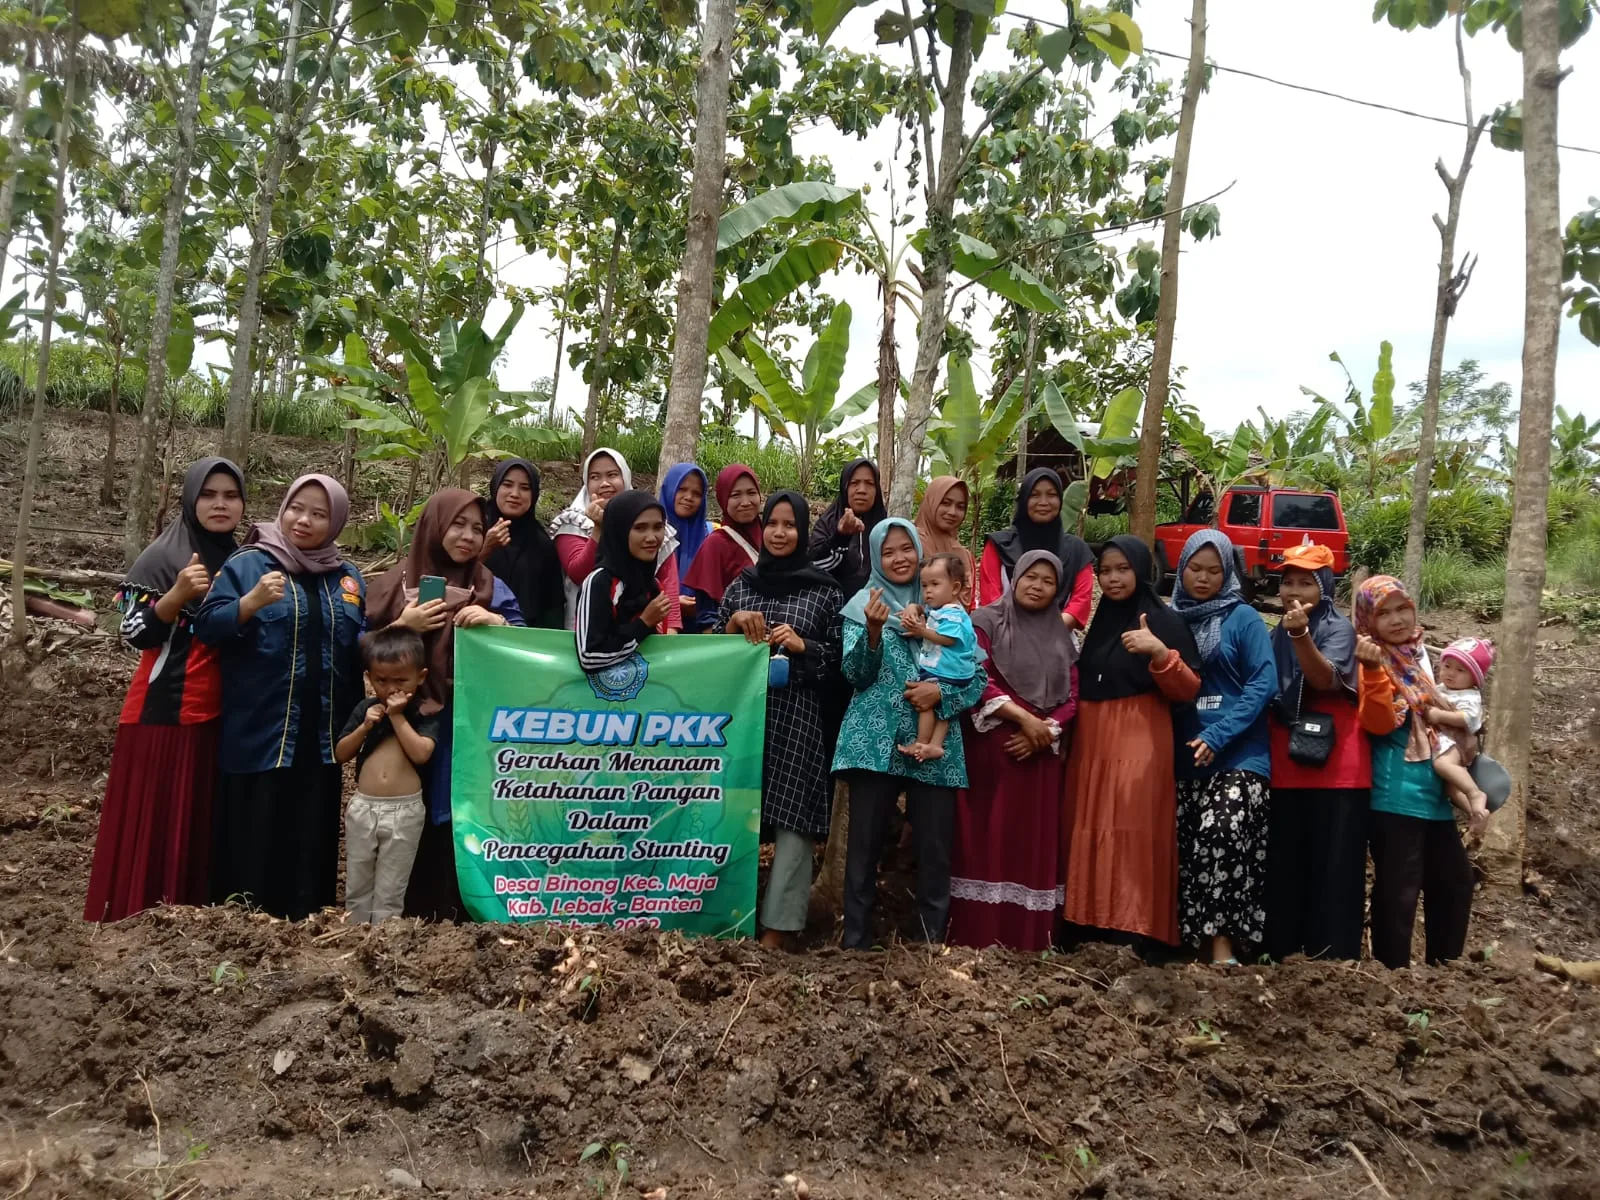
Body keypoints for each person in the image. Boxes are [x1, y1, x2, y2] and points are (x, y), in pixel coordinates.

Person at [85, 458, 246, 922]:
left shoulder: (239, 559)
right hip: (165, 711)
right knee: (156, 819)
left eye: (230, 496)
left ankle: (188, 916)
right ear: (190, 499)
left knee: (195, 819)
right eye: (209, 494)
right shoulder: (161, 556)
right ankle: (137, 914)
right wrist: (174, 597)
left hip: (218, 714)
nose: (220, 504)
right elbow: (134, 634)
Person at [196, 474, 363, 919]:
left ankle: (306, 914)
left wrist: (405, 630)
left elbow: (357, 645)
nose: (303, 520)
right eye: (296, 508)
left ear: (336, 523)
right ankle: (242, 917)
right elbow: (207, 627)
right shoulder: (248, 564)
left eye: (319, 514)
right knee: (256, 821)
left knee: (310, 823)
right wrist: (247, 604)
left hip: (321, 732)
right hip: (261, 728)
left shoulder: (346, 577)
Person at [367, 488, 523, 922]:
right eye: (458, 524)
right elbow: (358, 650)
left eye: (477, 527)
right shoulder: (394, 583)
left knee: (460, 812)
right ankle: (410, 912)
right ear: (435, 525)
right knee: (409, 817)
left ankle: (463, 908)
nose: (468, 536)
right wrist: (404, 624)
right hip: (407, 721)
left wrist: (497, 622)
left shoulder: (489, 585)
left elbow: (527, 643)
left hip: (470, 722)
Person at [834, 520, 986, 949]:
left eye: (907, 550)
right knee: (864, 849)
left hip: (934, 746)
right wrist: (874, 631)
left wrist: (942, 692)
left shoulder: (945, 608)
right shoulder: (863, 606)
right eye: (888, 551)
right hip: (874, 740)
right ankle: (856, 945)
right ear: (876, 557)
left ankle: (928, 946)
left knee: (935, 850)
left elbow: (977, 679)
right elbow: (854, 675)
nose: (899, 558)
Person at [715, 491, 844, 950]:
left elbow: (842, 661)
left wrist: (804, 645)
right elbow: (709, 651)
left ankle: (779, 928)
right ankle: (727, 912)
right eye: (773, 523)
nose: (780, 532)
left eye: (790, 524)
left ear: (804, 530)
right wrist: (733, 625)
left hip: (799, 717)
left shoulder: (825, 591)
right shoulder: (741, 587)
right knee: (734, 812)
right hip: (743, 717)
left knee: (794, 820)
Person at [1064, 536, 1201, 949]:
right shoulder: (1101, 622)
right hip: (1093, 740)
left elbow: (1189, 688)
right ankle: (1089, 924)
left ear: (1141, 569)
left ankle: (1135, 926)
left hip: (1140, 735)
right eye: (1105, 571)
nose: (1113, 578)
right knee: (1091, 826)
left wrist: (1159, 652)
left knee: (1132, 826)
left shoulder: (1163, 620)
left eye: (1122, 569)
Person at [947, 550, 1078, 951]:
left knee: (1030, 841)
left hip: (1040, 756)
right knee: (988, 841)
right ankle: (979, 935)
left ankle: (1030, 939)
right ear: (1015, 578)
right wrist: (1026, 720)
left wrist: (1046, 729)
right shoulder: (983, 622)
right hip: (993, 750)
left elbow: (1074, 693)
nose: (1037, 586)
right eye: (1030, 577)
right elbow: (973, 677)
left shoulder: (1062, 635)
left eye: (1047, 581)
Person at [1354, 575, 1476, 969]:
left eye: (1401, 608)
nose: (1396, 620)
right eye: (1383, 612)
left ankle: (1446, 971)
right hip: (1396, 792)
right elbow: (1378, 723)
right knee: (1399, 893)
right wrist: (1372, 673)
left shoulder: (1419, 656)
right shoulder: (1370, 658)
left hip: (1433, 792)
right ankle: (1394, 977)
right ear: (1367, 620)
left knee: (1455, 884)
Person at [1169, 529, 1277, 965]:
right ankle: (1190, 942)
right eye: (1195, 569)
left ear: (1228, 572)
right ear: (1181, 568)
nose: (1203, 578)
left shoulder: (1243, 618)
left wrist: (1218, 735)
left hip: (1239, 753)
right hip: (1187, 753)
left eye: (1215, 571)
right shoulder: (1171, 618)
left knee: (1224, 836)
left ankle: (1223, 946)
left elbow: (1263, 682)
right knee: (1189, 844)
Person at [1263, 542, 1371, 962]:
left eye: (1305, 582)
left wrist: (1300, 636)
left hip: (1336, 767)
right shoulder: (1276, 631)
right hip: (1286, 762)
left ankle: (1333, 959)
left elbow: (1326, 679)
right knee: (1287, 861)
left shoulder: (1337, 628)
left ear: (1324, 587)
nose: (1294, 590)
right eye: (1288, 581)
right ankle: (1282, 951)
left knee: (1335, 865)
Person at [335, 627, 439, 924]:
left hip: (404, 811)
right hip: (364, 807)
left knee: (391, 888)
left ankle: (382, 945)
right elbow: (341, 753)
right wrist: (365, 727)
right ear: (369, 677)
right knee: (357, 882)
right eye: (381, 681)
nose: (391, 689)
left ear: (420, 677)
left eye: (401, 681)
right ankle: (354, 935)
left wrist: (396, 715)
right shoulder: (366, 709)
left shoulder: (424, 712)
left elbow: (421, 753)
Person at [549, 447, 681, 631]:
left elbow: (669, 588)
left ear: (625, 477)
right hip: (586, 633)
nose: (604, 483)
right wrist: (598, 528)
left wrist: (671, 634)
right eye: (595, 477)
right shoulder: (574, 522)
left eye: (612, 475)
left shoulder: (652, 524)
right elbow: (579, 574)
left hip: (649, 636)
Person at [978, 467, 1094, 630]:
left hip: (1057, 637)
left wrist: (1048, 630)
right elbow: (990, 596)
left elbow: (1080, 600)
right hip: (1004, 634)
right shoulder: (1000, 544)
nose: (1044, 502)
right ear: (1024, 499)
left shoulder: (1077, 550)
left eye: (1052, 495)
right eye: (1034, 495)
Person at [575, 490, 678, 671]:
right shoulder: (599, 582)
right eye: (640, 528)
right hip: (599, 697)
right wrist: (643, 624)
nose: (652, 537)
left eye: (658, 527)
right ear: (620, 531)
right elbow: (589, 656)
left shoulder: (652, 586)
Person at [897, 553, 978, 762]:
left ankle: (922, 742)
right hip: (953, 670)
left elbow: (947, 639)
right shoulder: (941, 611)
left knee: (927, 706)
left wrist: (921, 631)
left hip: (949, 670)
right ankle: (935, 745)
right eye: (924, 586)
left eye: (935, 584)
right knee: (944, 709)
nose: (928, 591)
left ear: (955, 588)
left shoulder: (954, 614)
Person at [481, 458, 564, 629]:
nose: (515, 494)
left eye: (525, 488)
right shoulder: (474, 528)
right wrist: (485, 549)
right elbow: (454, 579)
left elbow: (552, 607)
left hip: (523, 641)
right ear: (495, 487)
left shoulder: (542, 545)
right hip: (472, 631)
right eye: (507, 485)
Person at [684, 464, 764, 630]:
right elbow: (706, 618)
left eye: (751, 493)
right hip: (737, 645)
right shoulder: (715, 545)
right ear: (723, 498)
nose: (745, 502)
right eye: (735, 495)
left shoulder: (770, 536)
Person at [1430, 637, 1496, 828]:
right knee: (1450, 787)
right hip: (1445, 741)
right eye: (1447, 666)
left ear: (1474, 678)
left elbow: (1468, 719)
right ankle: (1476, 813)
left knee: (1443, 765)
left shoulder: (1469, 695)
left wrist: (1439, 715)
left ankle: (1475, 793)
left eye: (1460, 670)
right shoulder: (1441, 688)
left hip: (1457, 742)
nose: (1451, 673)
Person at [810, 458, 887, 598]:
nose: (862, 490)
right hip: (833, 607)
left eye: (869, 483)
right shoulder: (827, 523)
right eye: (854, 483)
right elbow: (814, 567)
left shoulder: (887, 525)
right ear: (844, 487)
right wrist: (840, 537)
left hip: (879, 606)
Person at [659, 463, 712, 628]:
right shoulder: (649, 533)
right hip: (657, 631)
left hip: (700, 632)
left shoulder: (711, 535)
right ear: (669, 489)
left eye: (696, 493)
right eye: (681, 489)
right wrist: (673, 602)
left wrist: (702, 605)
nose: (689, 497)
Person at [914, 476, 977, 609]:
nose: (952, 512)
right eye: (946, 503)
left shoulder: (963, 554)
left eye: (960, 507)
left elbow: (969, 606)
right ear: (931, 502)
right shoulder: (911, 542)